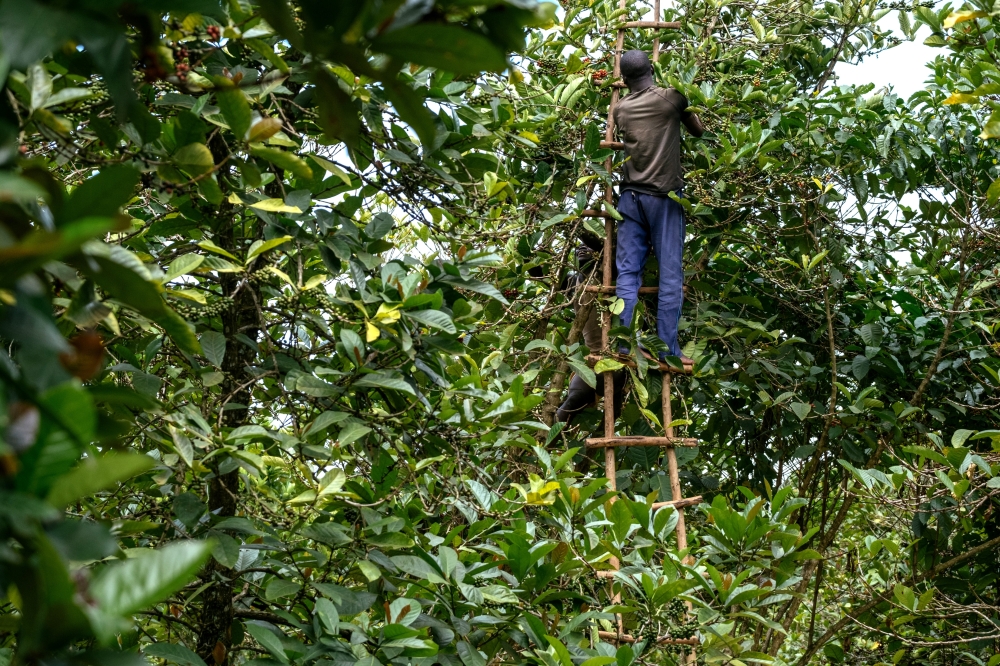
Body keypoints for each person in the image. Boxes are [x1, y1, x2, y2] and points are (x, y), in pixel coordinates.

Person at [613, 50, 704, 364]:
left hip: (629, 198)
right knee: (669, 276)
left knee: (627, 275)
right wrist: (685, 94)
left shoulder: (620, 109)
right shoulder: (671, 99)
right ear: (652, 68)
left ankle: (622, 345)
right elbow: (699, 129)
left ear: (623, 80)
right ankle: (667, 351)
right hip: (663, 198)